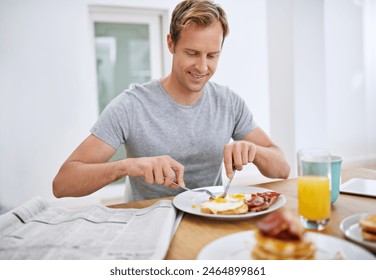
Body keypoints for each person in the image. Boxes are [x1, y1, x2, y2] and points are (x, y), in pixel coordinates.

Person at [53, 0, 290, 201]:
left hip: (209, 219)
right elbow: (63, 184)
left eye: (212, 56)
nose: (202, 67)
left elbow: (283, 168)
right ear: (171, 44)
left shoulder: (229, 103)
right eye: (192, 53)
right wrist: (128, 166)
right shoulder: (131, 106)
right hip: (147, 227)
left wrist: (254, 151)